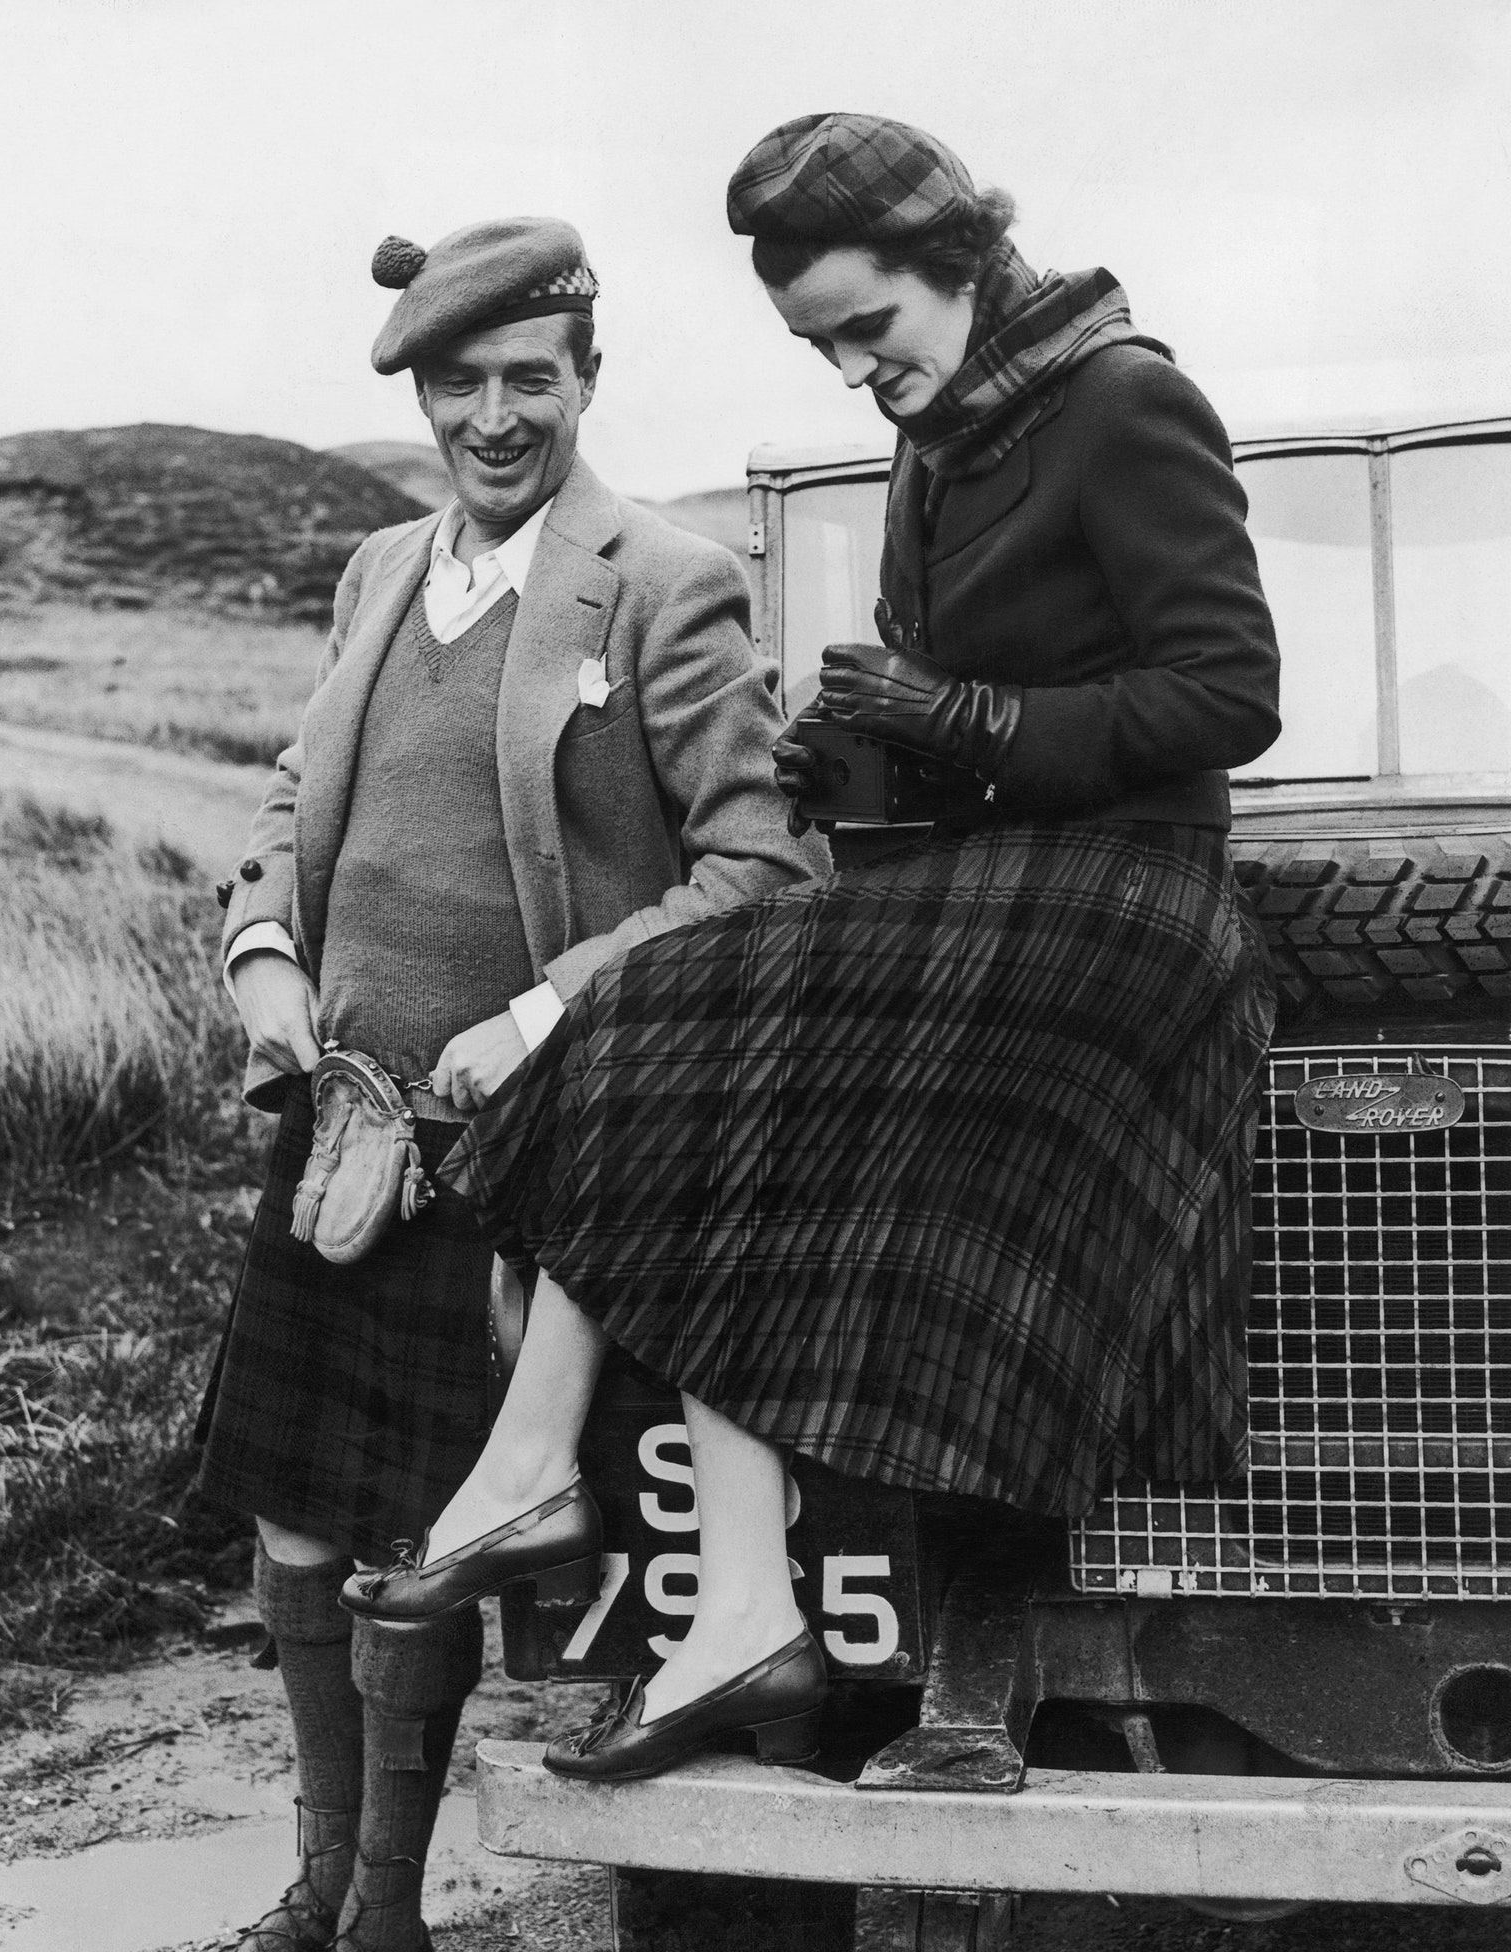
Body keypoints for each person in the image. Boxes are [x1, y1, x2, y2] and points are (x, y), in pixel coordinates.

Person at [343, 111, 1282, 1786]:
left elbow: (1228, 693)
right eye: (821, 346)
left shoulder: (1124, 398)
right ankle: (701, 1589)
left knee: (669, 999)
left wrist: (968, 718)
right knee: (655, 1016)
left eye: (873, 329)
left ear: (964, 265)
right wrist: (857, 755)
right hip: (1008, 889)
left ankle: (554, 1480)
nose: (860, 372)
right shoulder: (948, 433)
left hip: (1131, 909)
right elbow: (978, 730)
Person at [137, 218, 827, 1952]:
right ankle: (316, 1909)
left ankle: (383, 1947)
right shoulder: (378, 567)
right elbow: (296, 794)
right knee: (292, 1525)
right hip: (342, 1137)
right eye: (465, 383)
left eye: (534, 379)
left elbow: (758, 866)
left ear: (588, 380)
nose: (497, 416)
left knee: (417, 1546)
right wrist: (266, 942)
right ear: (425, 393)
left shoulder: (660, 577)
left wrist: (537, 1015)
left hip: (518, 1158)